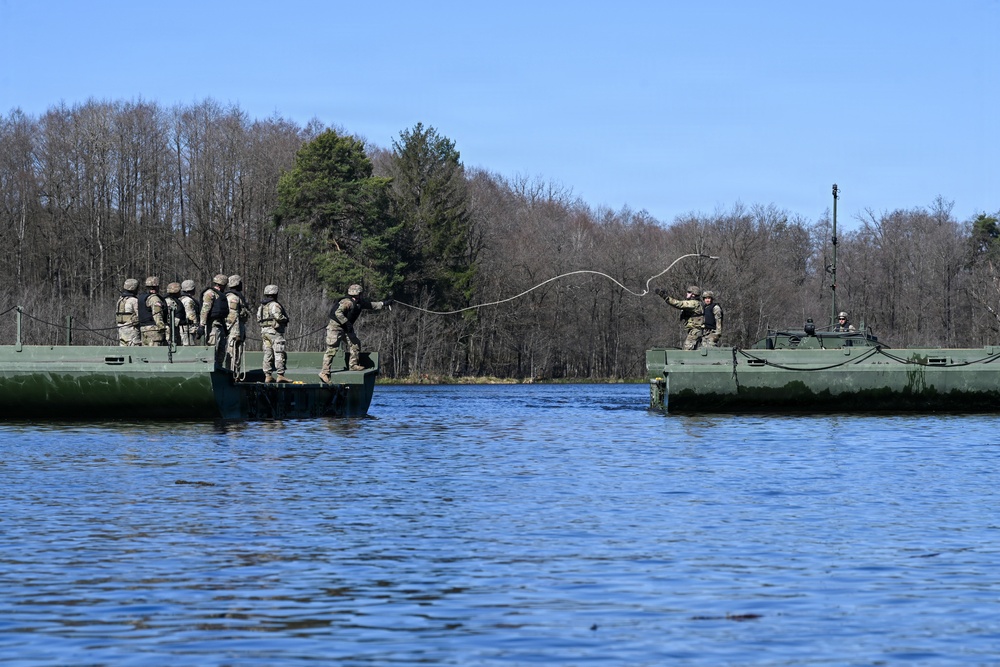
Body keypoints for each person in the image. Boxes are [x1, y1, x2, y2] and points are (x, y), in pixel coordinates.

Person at [319, 283, 392, 381]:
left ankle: (353, 365)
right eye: (360, 293)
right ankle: (324, 372)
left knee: (355, 344)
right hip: (335, 328)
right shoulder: (346, 302)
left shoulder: (358, 302)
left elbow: (371, 305)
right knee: (332, 350)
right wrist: (346, 322)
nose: (362, 295)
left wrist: (383, 303)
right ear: (357, 294)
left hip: (346, 328)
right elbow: (337, 313)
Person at [654, 284, 704, 350]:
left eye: (689, 292)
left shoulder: (694, 303)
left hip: (695, 331)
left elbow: (679, 304)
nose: (687, 293)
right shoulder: (696, 303)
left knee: (687, 351)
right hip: (694, 330)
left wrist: (665, 297)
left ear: (693, 294)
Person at [257, 284, 290, 383]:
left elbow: (258, 318)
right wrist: (285, 319)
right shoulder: (274, 305)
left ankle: (268, 375)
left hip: (264, 331)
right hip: (274, 332)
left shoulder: (261, 306)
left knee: (268, 353)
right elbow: (278, 316)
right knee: (279, 352)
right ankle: (280, 375)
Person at [199, 274, 229, 365]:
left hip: (220, 325)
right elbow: (205, 309)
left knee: (221, 349)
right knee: (213, 348)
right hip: (212, 325)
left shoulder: (220, 295)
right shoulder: (210, 293)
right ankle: (211, 367)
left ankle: (218, 367)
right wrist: (202, 325)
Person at [224, 274, 250, 372]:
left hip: (237, 327)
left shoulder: (234, 296)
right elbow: (233, 315)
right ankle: (232, 372)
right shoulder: (233, 298)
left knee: (237, 351)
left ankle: (234, 372)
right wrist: (237, 332)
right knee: (234, 350)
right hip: (234, 329)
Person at [137, 276, 167, 346]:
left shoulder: (141, 297)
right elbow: (157, 314)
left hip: (143, 329)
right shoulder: (154, 298)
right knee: (155, 354)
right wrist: (162, 327)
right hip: (153, 330)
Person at [115, 278, 141, 347]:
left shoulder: (120, 300)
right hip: (132, 332)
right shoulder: (134, 300)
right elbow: (139, 315)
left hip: (121, 331)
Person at [177, 280, 200, 345]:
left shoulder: (179, 298)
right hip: (187, 329)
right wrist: (196, 328)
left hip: (181, 328)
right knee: (189, 348)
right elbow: (191, 316)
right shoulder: (188, 300)